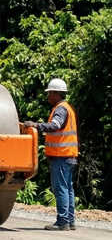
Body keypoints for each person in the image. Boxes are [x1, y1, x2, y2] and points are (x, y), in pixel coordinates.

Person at [22, 78, 78, 230]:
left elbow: (55, 125)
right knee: (67, 188)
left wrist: (36, 126)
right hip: (69, 155)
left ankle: (63, 222)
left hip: (61, 156)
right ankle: (70, 221)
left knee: (60, 188)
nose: (48, 97)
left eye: (49, 94)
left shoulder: (60, 109)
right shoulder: (68, 108)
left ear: (56, 93)